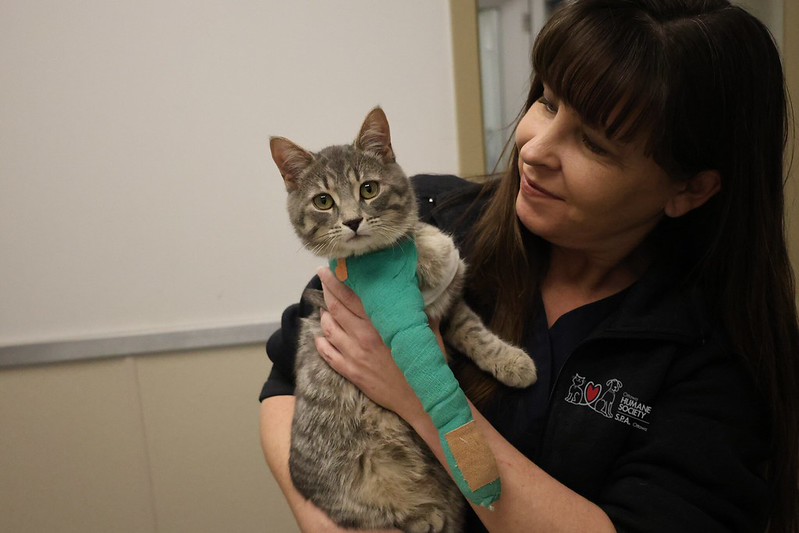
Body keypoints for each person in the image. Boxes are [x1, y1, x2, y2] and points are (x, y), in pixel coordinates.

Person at [259, 0, 799, 531]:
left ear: (688, 187)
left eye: (593, 142)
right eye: (546, 102)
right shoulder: (427, 220)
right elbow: (286, 382)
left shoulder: (717, 360)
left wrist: (421, 398)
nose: (535, 149)